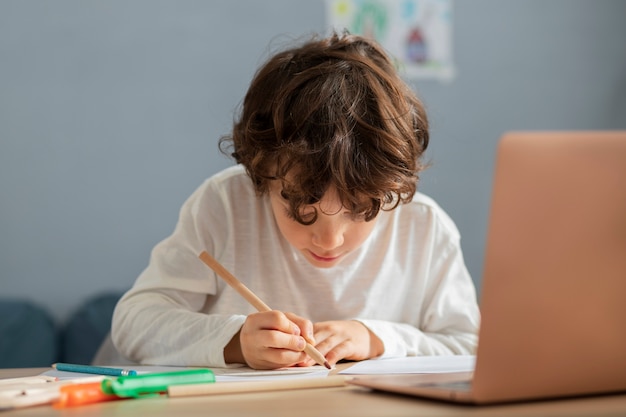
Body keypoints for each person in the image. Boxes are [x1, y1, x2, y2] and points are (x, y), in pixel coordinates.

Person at [110, 31, 480, 370]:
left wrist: (377, 339)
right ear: (260, 174)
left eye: (360, 209)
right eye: (303, 210)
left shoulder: (425, 228)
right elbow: (134, 322)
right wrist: (235, 341)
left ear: (390, 187)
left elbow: (469, 344)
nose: (330, 240)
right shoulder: (224, 206)